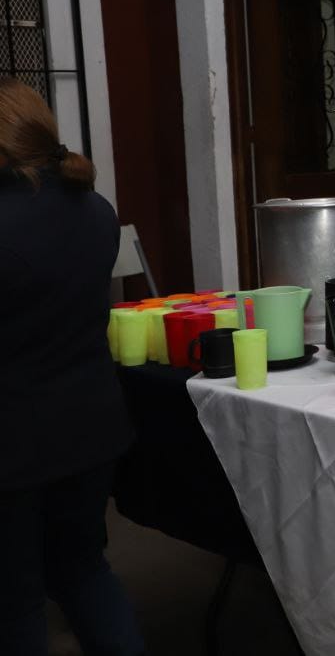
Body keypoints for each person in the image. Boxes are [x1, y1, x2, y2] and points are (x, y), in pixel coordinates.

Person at [0, 78, 145, 654]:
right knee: (83, 570)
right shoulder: (95, 210)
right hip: (89, 427)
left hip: (14, 442)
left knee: (16, 601)